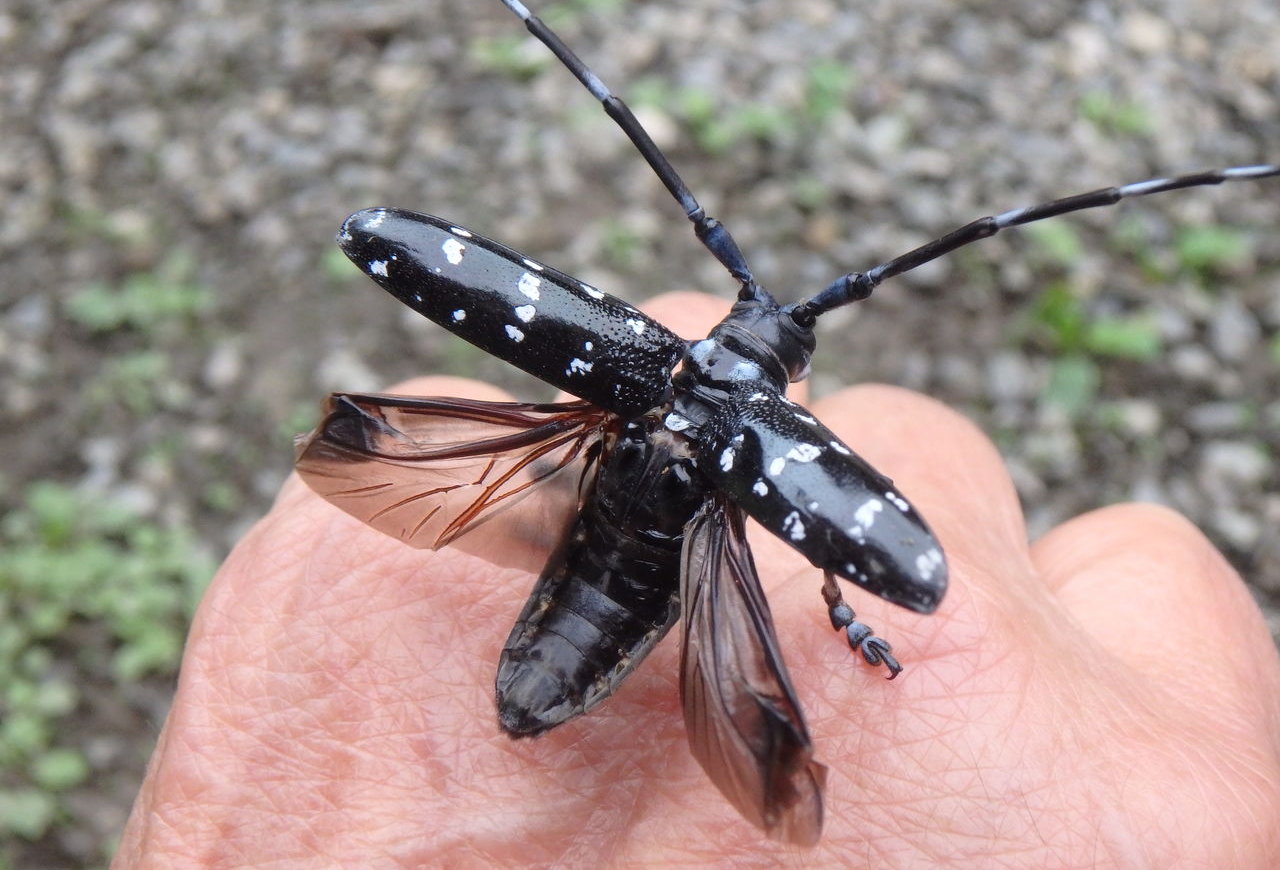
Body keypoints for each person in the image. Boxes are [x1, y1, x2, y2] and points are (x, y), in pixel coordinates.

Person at [113, 292, 1280, 868]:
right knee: (728, 561)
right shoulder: (752, 464)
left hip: (578, 552)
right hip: (610, 606)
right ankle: (827, 619)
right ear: (781, 387)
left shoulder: (634, 390)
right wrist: (843, 599)